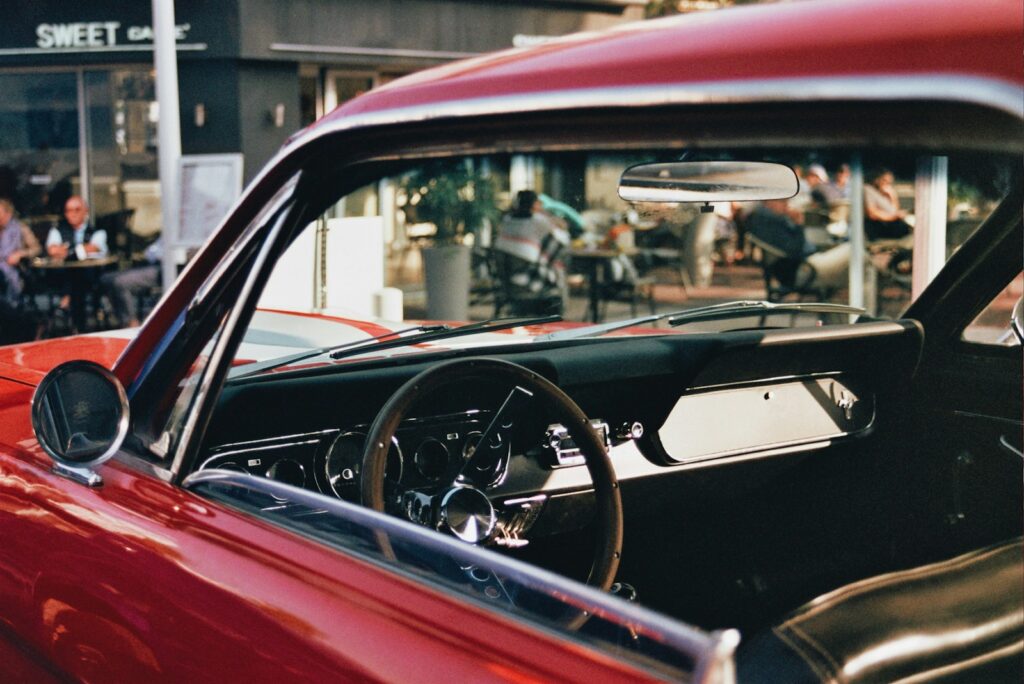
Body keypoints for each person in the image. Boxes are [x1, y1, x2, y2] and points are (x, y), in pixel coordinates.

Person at [746, 198, 851, 291]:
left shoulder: (767, 218)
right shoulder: (768, 220)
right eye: (782, 200)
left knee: (856, 254)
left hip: (804, 266)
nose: (787, 204)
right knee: (854, 251)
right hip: (802, 271)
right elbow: (796, 248)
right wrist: (798, 224)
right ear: (768, 202)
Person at [494, 190, 569, 296]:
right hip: (524, 267)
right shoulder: (537, 220)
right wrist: (546, 215)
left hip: (504, 267)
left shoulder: (507, 219)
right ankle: (540, 283)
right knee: (554, 244)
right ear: (534, 204)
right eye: (539, 202)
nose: (541, 204)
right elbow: (562, 234)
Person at [101, 238, 162, 328]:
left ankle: (131, 323)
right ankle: (120, 320)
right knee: (106, 278)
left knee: (120, 282)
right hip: (148, 262)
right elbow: (150, 251)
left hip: (163, 268)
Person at [0, 199, 41, 307]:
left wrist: (20, 254)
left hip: (15, 269)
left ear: (7, 213)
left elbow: (36, 248)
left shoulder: (20, 228)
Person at [46, 195, 107, 261]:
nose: (73, 214)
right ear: (65, 214)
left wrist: (66, 251)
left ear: (86, 211)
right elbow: (53, 251)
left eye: (77, 210)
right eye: (69, 210)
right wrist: (82, 250)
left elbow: (93, 248)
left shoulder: (99, 232)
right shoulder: (56, 231)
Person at [863, 168, 912, 241]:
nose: (887, 185)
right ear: (877, 179)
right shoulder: (868, 190)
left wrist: (893, 196)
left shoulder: (885, 194)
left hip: (890, 223)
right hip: (878, 225)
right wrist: (893, 216)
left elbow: (894, 210)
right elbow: (873, 213)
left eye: (889, 182)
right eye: (884, 181)